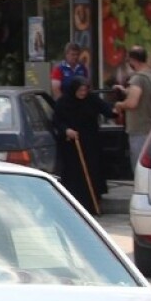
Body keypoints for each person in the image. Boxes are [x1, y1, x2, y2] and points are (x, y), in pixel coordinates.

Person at [52, 75, 113, 214]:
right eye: (80, 90)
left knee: (92, 172)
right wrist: (67, 130)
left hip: (91, 143)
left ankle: (92, 206)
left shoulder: (91, 100)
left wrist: (116, 110)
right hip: (72, 146)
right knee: (74, 175)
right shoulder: (64, 102)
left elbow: (107, 110)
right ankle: (75, 206)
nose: (83, 93)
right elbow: (56, 120)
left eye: (85, 90)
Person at [114, 45, 151, 166]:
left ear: (133, 60)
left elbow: (132, 103)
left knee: (139, 167)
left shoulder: (138, 78)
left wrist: (119, 104)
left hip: (140, 130)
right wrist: (125, 91)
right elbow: (145, 94)